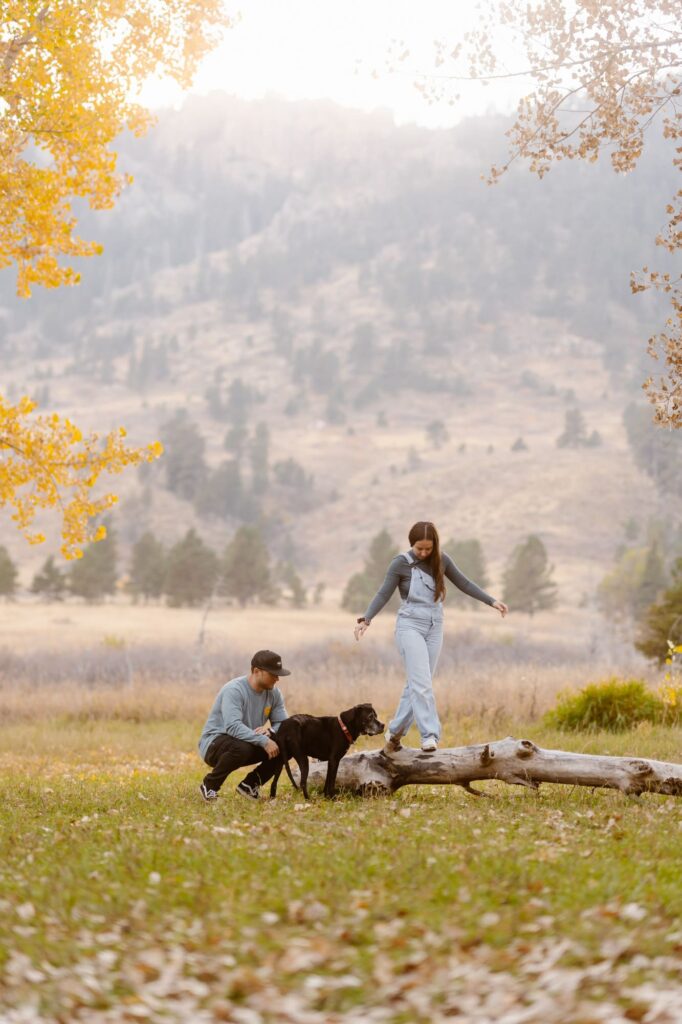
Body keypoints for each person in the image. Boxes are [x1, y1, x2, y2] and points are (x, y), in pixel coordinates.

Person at [353, 521, 508, 753]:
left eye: (428, 548)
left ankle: (394, 733)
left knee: (416, 684)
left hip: (435, 625)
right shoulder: (400, 564)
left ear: (434, 545)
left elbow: (464, 583)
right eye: (419, 549)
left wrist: (492, 601)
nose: (424, 553)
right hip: (410, 625)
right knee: (422, 684)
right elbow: (383, 592)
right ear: (411, 545)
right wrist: (367, 619)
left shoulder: (442, 560)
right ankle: (430, 735)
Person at [198, 649, 290, 802]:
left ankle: (249, 786)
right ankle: (209, 786)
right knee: (242, 747)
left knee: (287, 745)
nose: (277, 679)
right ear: (256, 671)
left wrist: (271, 732)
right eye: (273, 674)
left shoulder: (274, 693)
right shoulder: (234, 690)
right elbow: (233, 727)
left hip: (246, 741)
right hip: (215, 744)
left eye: (278, 674)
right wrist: (264, 740)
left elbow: (285, 725)